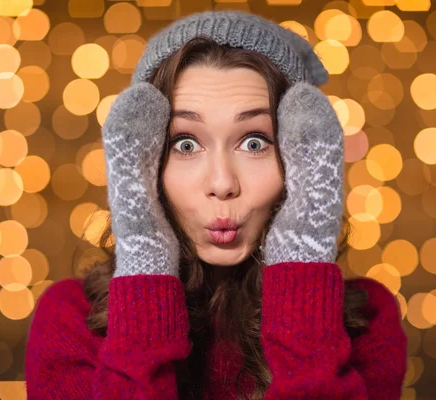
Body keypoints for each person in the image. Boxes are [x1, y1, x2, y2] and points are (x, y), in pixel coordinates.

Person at [24, 10, 408, 400]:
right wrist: (145, 262)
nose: (222, 184)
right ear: (146, 161)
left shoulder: (368, 321)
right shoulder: (70, 320)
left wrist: (302, 257)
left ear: (302, 158)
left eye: (254, 142)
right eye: (185, 144)